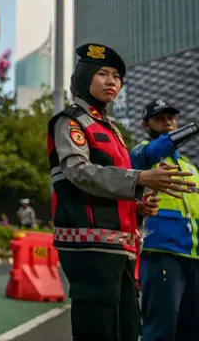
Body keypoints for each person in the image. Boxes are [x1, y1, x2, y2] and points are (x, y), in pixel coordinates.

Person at [47, 43, 195, 341]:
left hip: (122, 247)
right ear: (84, 77)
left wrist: (138, 205)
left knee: (128, 330)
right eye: (103, 73)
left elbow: (112, 183)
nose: (112, 81)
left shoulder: (112, 130)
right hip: (90, 244)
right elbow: (79, 172)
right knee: (99, 331)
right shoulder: (71, 121)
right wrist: (139, 177)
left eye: (117, 76)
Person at [129, 99, 199, 341]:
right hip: (162, 254)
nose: (167, 122)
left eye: (171, 117)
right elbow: (154, 150)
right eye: (159, 118)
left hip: (194, 258)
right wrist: (189, 130)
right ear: (145, 124)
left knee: (191, 331)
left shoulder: (190, 167)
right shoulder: (143, 155)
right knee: (160, 331)